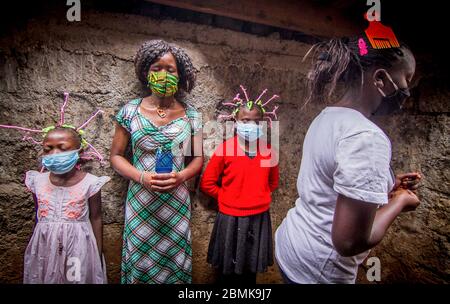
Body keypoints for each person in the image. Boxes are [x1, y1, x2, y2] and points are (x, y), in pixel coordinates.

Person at [275, 36, 422, 283]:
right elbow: (349, 242)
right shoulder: (366, 136)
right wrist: (400, 202)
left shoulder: (328, 117)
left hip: (292, 246)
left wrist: (385, 187)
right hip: (318, 270)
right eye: (406, 79)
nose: (407, 90)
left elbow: (332, 184)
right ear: (380, 79)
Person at [111, 39, 203, 284]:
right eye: (156, 69)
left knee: (174, 261)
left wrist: (182, 176)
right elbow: (116, 156)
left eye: (170, 70)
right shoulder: (130, 112)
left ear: (180, 75)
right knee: (140, 258)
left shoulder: (192, 116)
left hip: (176, 201)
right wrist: (141, 176)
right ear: (145, 73)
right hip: (141, 202)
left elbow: (197, 160)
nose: (163, 74)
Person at [200, 86, 279, 284]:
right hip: (230, 218)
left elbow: (273, 182)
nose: (251, 124)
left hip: (258, 218)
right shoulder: (226, 149)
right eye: (245, 120)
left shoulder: (269, 151)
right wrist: (229, 198)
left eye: (256, 121)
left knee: (250, 271)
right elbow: (207, 184)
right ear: (235, 121)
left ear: (263, 124)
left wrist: (255, 197)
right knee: (227, 271)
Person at [24, 126, 109, 283]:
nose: (54, 154)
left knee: (74, 278)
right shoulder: (37, 181)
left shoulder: (90, 183)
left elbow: (96, 218)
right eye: (48, 149)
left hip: (77, 249)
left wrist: (96, 253)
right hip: (45, 248)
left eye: (62, 148)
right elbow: (38, 217)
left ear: (79, 151)